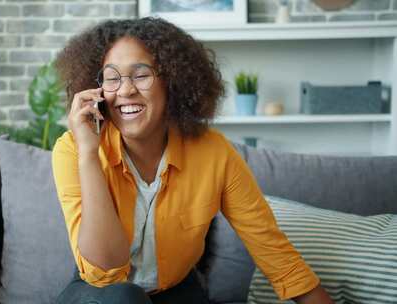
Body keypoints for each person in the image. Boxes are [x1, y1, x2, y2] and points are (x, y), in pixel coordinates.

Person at [51, 17, 333, 304]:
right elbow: (104, 271)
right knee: (124, 297)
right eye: (112, 78)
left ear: (172, 81)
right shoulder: (74, 150)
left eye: (141, 75)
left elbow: (274, 252)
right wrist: (88, 154)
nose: (125, 90)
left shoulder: (214, 154)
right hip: (99, 294)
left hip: (176, 290)